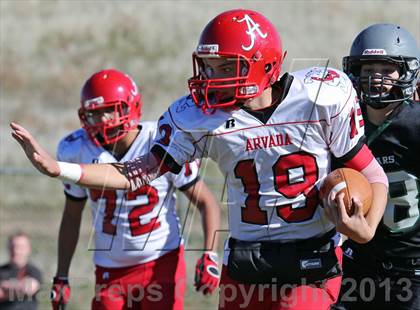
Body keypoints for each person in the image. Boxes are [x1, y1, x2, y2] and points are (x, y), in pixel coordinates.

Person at [11, 9, 389, 309]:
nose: (211, 78)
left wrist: (367, 228)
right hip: (246, 260)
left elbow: (374, 175)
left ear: (264, 64)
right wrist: (59, 169)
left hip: (310, 258)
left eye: (226, 67)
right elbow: (134, 175)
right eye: (208, 67)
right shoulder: (199, 116)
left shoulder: (321, 96)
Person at [47, 69, 221, 310]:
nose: (101, 119)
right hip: (110, 269)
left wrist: (210, 253)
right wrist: (62, 274)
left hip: (162, 261)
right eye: (94, 113)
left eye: (109, 109)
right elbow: (71, 216)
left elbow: (206, 202)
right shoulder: (76, 148)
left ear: (131, 107)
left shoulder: (159, 140)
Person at [333, 23, 420, 310]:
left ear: (406, 74)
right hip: (359, 263)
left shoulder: (414, 124)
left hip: (412, 267)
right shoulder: (343, 123)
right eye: (368, 71)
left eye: (386, 71)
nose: (375, 80)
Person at [0, 232, 43, 310]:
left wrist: (4, 286)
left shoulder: (33, 271)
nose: (16, 251)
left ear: (28, 249)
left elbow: (29, 288)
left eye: (21, 247)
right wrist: (20, 285)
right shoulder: (2, 270)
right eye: (13, 247)